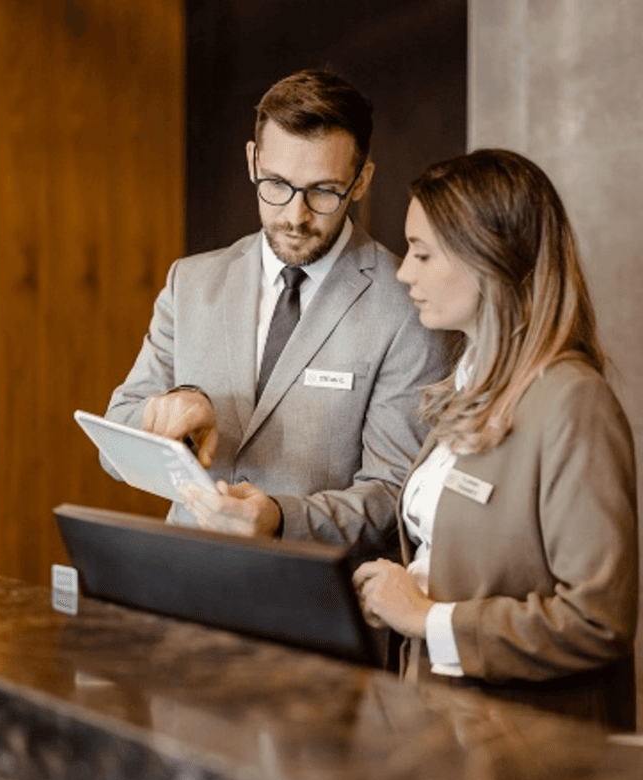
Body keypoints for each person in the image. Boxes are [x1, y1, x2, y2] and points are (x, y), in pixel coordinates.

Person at [103, 69, 448, 554]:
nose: (295, 215)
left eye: (324, 190)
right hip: (185, 584)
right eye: (277, 184)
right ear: (252, 160)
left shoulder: (407, 304)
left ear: (362, 179)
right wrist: (173, 415)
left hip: (311, 605)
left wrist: (282, 518)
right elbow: (114, 441)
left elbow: (395, 493)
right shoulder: (192, 282)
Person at [353, 148, 639, 729]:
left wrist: (427, 620)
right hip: (445, 732)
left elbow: (597, 619)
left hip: (533, 754)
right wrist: (410, 583)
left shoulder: (572, 403)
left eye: (423, 253)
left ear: (490, 262)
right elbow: (480, 555)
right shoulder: (468, 387)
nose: (404, 272)